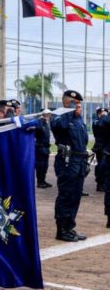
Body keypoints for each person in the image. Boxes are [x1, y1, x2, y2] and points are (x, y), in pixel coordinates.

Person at [51, 90, 89, 242]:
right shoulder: (59, 116)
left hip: (79, 161)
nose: (79, 107)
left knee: (75, 196)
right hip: (66, 161)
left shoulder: (79, 120)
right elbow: (59, 127)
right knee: (66, 195)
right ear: (67, 104)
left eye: (79, 104)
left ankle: (70, 227)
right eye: (75, 104)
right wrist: (69, 111)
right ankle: (61, 229)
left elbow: (83, 141)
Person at [35, 110, 53, 189]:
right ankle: (40, 182)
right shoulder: (40, 122)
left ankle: (43, 180)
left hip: (45, 147)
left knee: (45, 165)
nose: (50, 116)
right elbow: (37, 131)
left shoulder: (46, 123)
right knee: (40, 166)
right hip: (40, 148)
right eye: (48, 114)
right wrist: (41, 119)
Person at [93, 108, 108, 192]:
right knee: (100, 166)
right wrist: (103, 117)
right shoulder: (97, 121)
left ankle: (104, 183)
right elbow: (98, 127)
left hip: (105, 146)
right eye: (101, 113)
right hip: (100, 147)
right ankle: (100, 184)